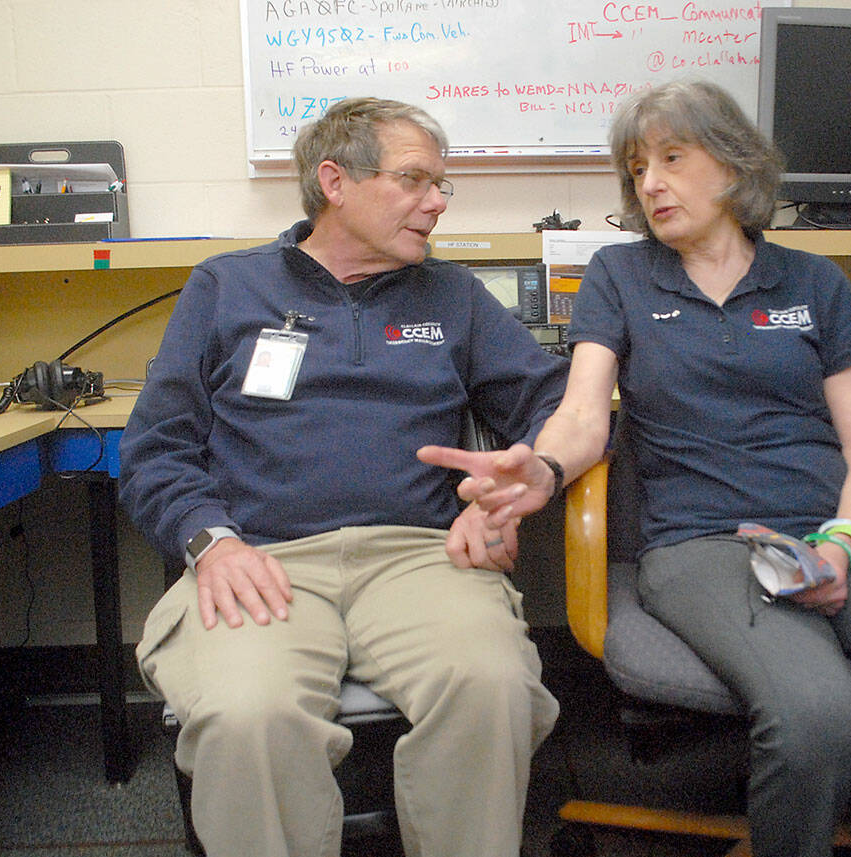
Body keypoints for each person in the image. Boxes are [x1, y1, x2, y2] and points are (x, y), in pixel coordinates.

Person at [419, 79, 851, 857]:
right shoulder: (620, 276)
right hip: (701, 545)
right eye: (638, 167)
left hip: (837, 533)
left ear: (737, 164)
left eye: (673, 158)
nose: (651, 182)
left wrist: (840, 544)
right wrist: (543, 468)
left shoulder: (815, 283)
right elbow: (581, 416)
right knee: (817, 714)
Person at [120, 97, 567, 857]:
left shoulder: (453, 295)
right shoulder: (227, 287)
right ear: (335, 181)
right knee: (248, 715)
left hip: (420, 556)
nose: (437, 202)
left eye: (441, 184)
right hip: (264, 556)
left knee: (492, 689)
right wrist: (211, 542)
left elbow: (559, 404)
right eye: (414, 180)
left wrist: (517, 486)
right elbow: (155, 447)